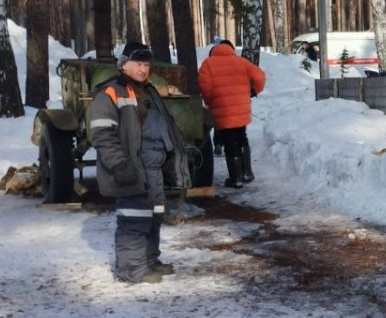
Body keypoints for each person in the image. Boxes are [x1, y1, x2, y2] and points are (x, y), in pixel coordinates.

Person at [90, 44, 191, 283]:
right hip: (131, 168)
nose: (143, 69)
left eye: (146, 65)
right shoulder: (111, 93)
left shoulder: (148, 91)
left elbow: (165, 127)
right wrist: (119, 165)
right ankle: (131, 270)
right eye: (138, 64)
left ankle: (149, 261)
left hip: (153, 168)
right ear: (123, 64)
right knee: (134, 218)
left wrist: (180, 153)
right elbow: (101, 134)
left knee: (154, 216)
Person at [199, 38, 266, 188]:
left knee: (229, 141)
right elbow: (260, 76)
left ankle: (235, 179)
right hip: (241, 109)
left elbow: (205, 88)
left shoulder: (207, 64)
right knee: (242, 137)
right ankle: (247, 172)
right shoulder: (241, 62)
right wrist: (254, 91)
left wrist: (211, 102)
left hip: (222, 108)